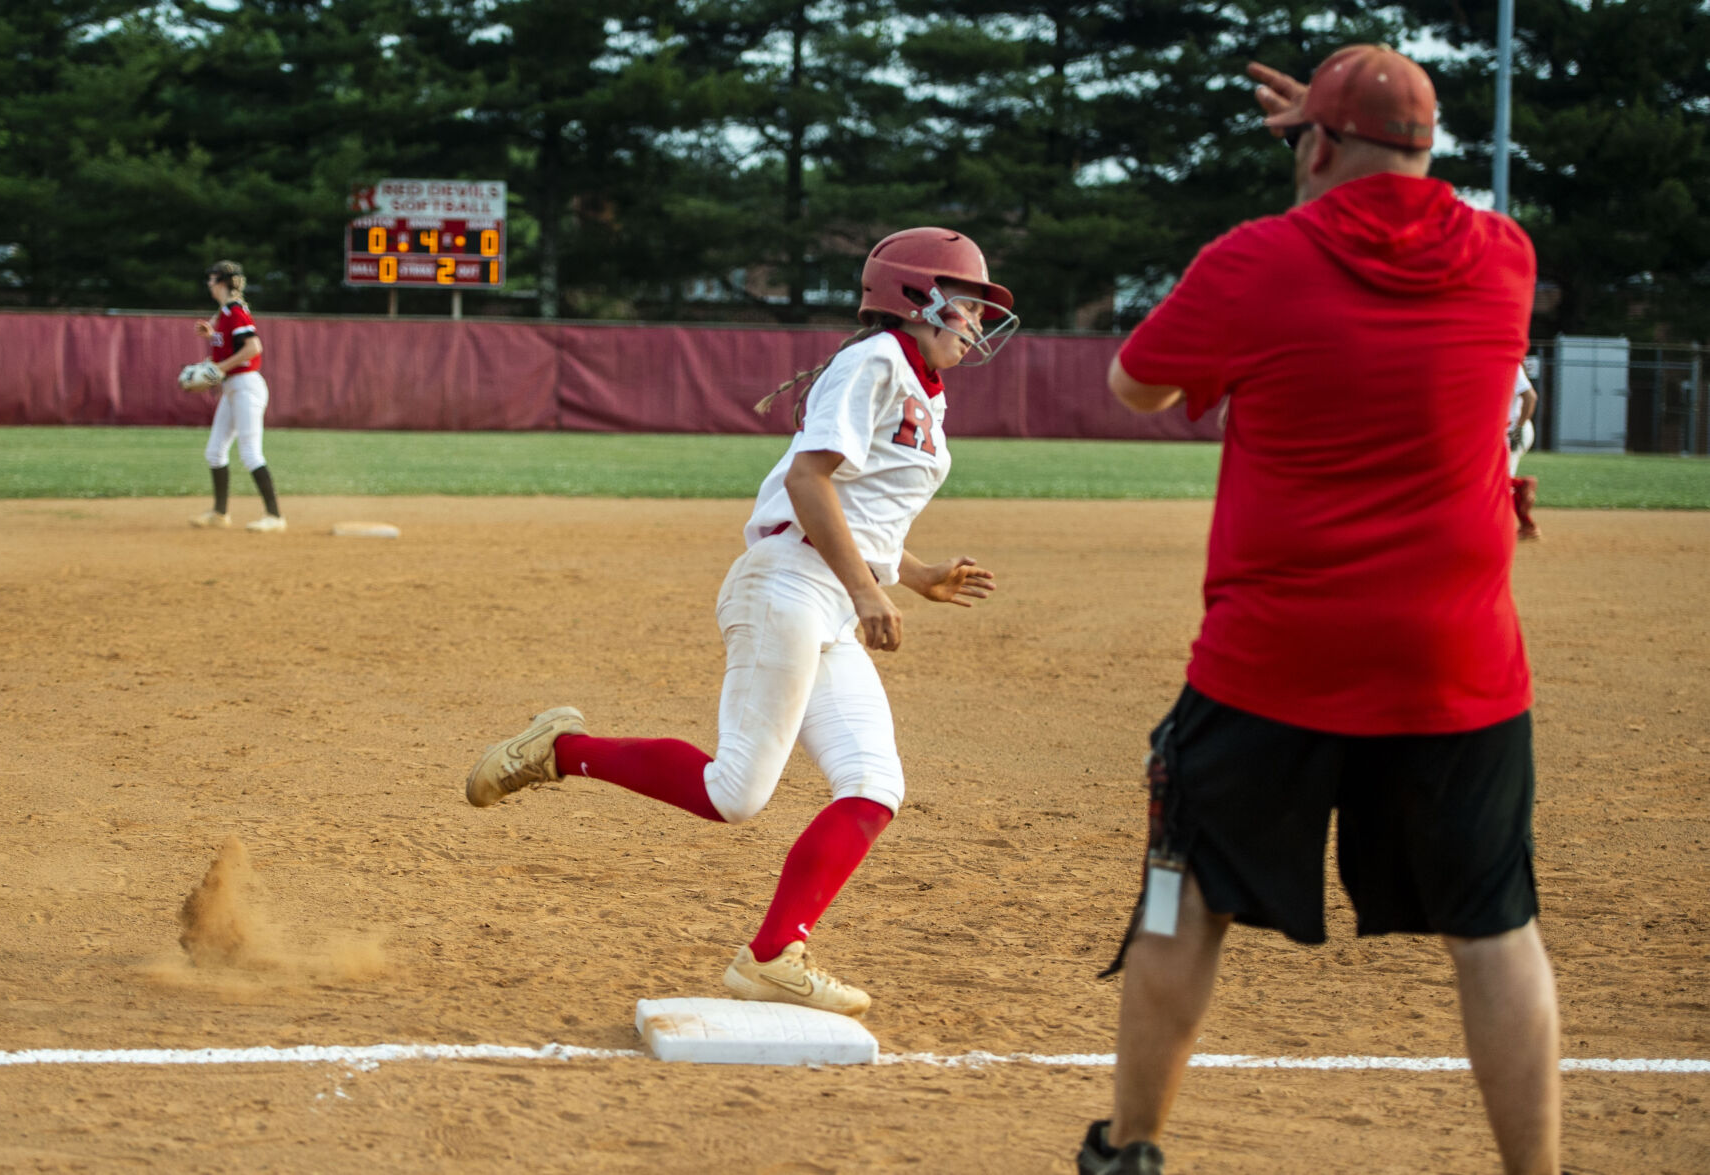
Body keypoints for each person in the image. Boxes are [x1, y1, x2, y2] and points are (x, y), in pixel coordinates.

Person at [1077, 47, 1562, 1175]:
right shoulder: (1506, 257)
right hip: (1458, 661)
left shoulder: (1257, 261)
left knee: (1181, 895)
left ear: (1313, 146)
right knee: (1494, 927)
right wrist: (1347, 138)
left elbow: (1136, 385)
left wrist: (1316, 164)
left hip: (1273, 659)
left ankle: (1128, 1148)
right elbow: (1395, 189)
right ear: (1424, 148)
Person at [463, 227, 1018, 1017]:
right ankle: (560, 750)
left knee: (873, 784)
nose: (974, 321)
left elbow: (859, 505)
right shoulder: (875, 362)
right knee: (734, 792)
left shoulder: (920, 383)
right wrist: (867, 592)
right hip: (789, 584)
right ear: (916, 299)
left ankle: (772, 954)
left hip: (824, 593)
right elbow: (807, 481)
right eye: (964, 304)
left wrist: (916, 575)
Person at [188, 260, 285, 532]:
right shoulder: (223, 314)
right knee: (215, 452)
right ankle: (220, 514)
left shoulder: (234, 310)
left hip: (246, 386)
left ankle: (275, 517)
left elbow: (254, 347)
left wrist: (218, 368)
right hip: (233, 388)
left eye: (211, 278)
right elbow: (232, 348)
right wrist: (212, 336)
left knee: (251, 453)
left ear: (221, 281)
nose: (208, 283)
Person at [1510, 362, 1541, 539]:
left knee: (1499, 484)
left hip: (1513, 432)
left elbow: (1530, 397)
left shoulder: (1510, 366)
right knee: (1497, 482)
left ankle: (1522, 485)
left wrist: (1517, 429)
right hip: (1503, 432)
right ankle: (1527, 526)